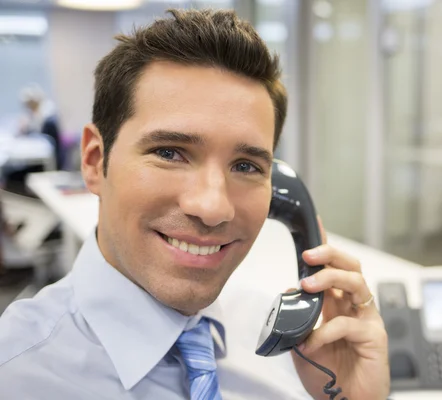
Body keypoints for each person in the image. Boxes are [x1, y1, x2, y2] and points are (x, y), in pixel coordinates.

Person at [0, 9, 390, 399]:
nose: (212, 206)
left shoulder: (298, 351)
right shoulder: (16, 373)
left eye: (245, 165)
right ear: (94, 161)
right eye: (169, 152)